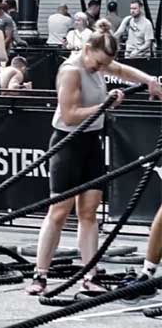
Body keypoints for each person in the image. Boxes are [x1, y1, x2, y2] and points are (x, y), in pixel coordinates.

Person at [25, 20, 162, 295]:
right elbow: (69, 115)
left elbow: (121, 69)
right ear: (87, 49)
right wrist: (105, 104)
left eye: (103, 65)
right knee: (60, 211)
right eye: (98, 64)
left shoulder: (98, 61)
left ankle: (90, 273)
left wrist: (149, 81)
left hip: (91, 143)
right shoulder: (72, 71)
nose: (100, 69)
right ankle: (39, 274)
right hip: (68, 143)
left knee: (89, 212)